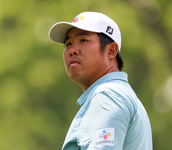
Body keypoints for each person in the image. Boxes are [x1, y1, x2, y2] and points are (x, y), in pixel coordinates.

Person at [49, 12, 153, 150]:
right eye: (68, 43)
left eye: (83, 40)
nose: (72, 50)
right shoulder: (118, 94)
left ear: (111, 51)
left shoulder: (108, 95)